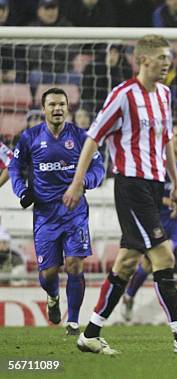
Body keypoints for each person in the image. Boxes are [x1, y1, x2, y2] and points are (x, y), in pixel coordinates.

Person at [62, 34, 177, 355]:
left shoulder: (165, 94)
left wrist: (175, 184)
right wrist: (77, 183)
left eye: (169, 58)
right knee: (164, 255)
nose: (167, 64)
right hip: (131, 185)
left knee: (127, 263)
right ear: (143, 60)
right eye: (161, 58)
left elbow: (167, 142)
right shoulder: (123, 95)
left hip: (155, 184)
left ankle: (90, 333)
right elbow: (93, 139)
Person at [8, 87, 105, 335]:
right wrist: (22, 191)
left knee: (74, 264)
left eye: (61, 104)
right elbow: (14, 168)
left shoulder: (82, 137)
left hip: (74, 213)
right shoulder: (30, 138)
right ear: (43, 109)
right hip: (45, 215)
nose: (57, 108)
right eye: (52, 105)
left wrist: (84, 183)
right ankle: (52, 297)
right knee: (48, 273)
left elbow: (99, 169)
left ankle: (73, 322)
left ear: (68, 107)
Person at [121, 121, 177, 324]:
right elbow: (146, 192)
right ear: (169, 137)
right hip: (156, 217)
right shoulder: (158, 159)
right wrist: (166, 200)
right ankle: (130, 295)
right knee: (148, 264)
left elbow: (176, 186)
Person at [80, 44, 133, 114]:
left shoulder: (126, 70)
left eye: (115, 53)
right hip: (95, 109)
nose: (112, 56)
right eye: (110, 53)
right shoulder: (92, 69)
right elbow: (86, 93)